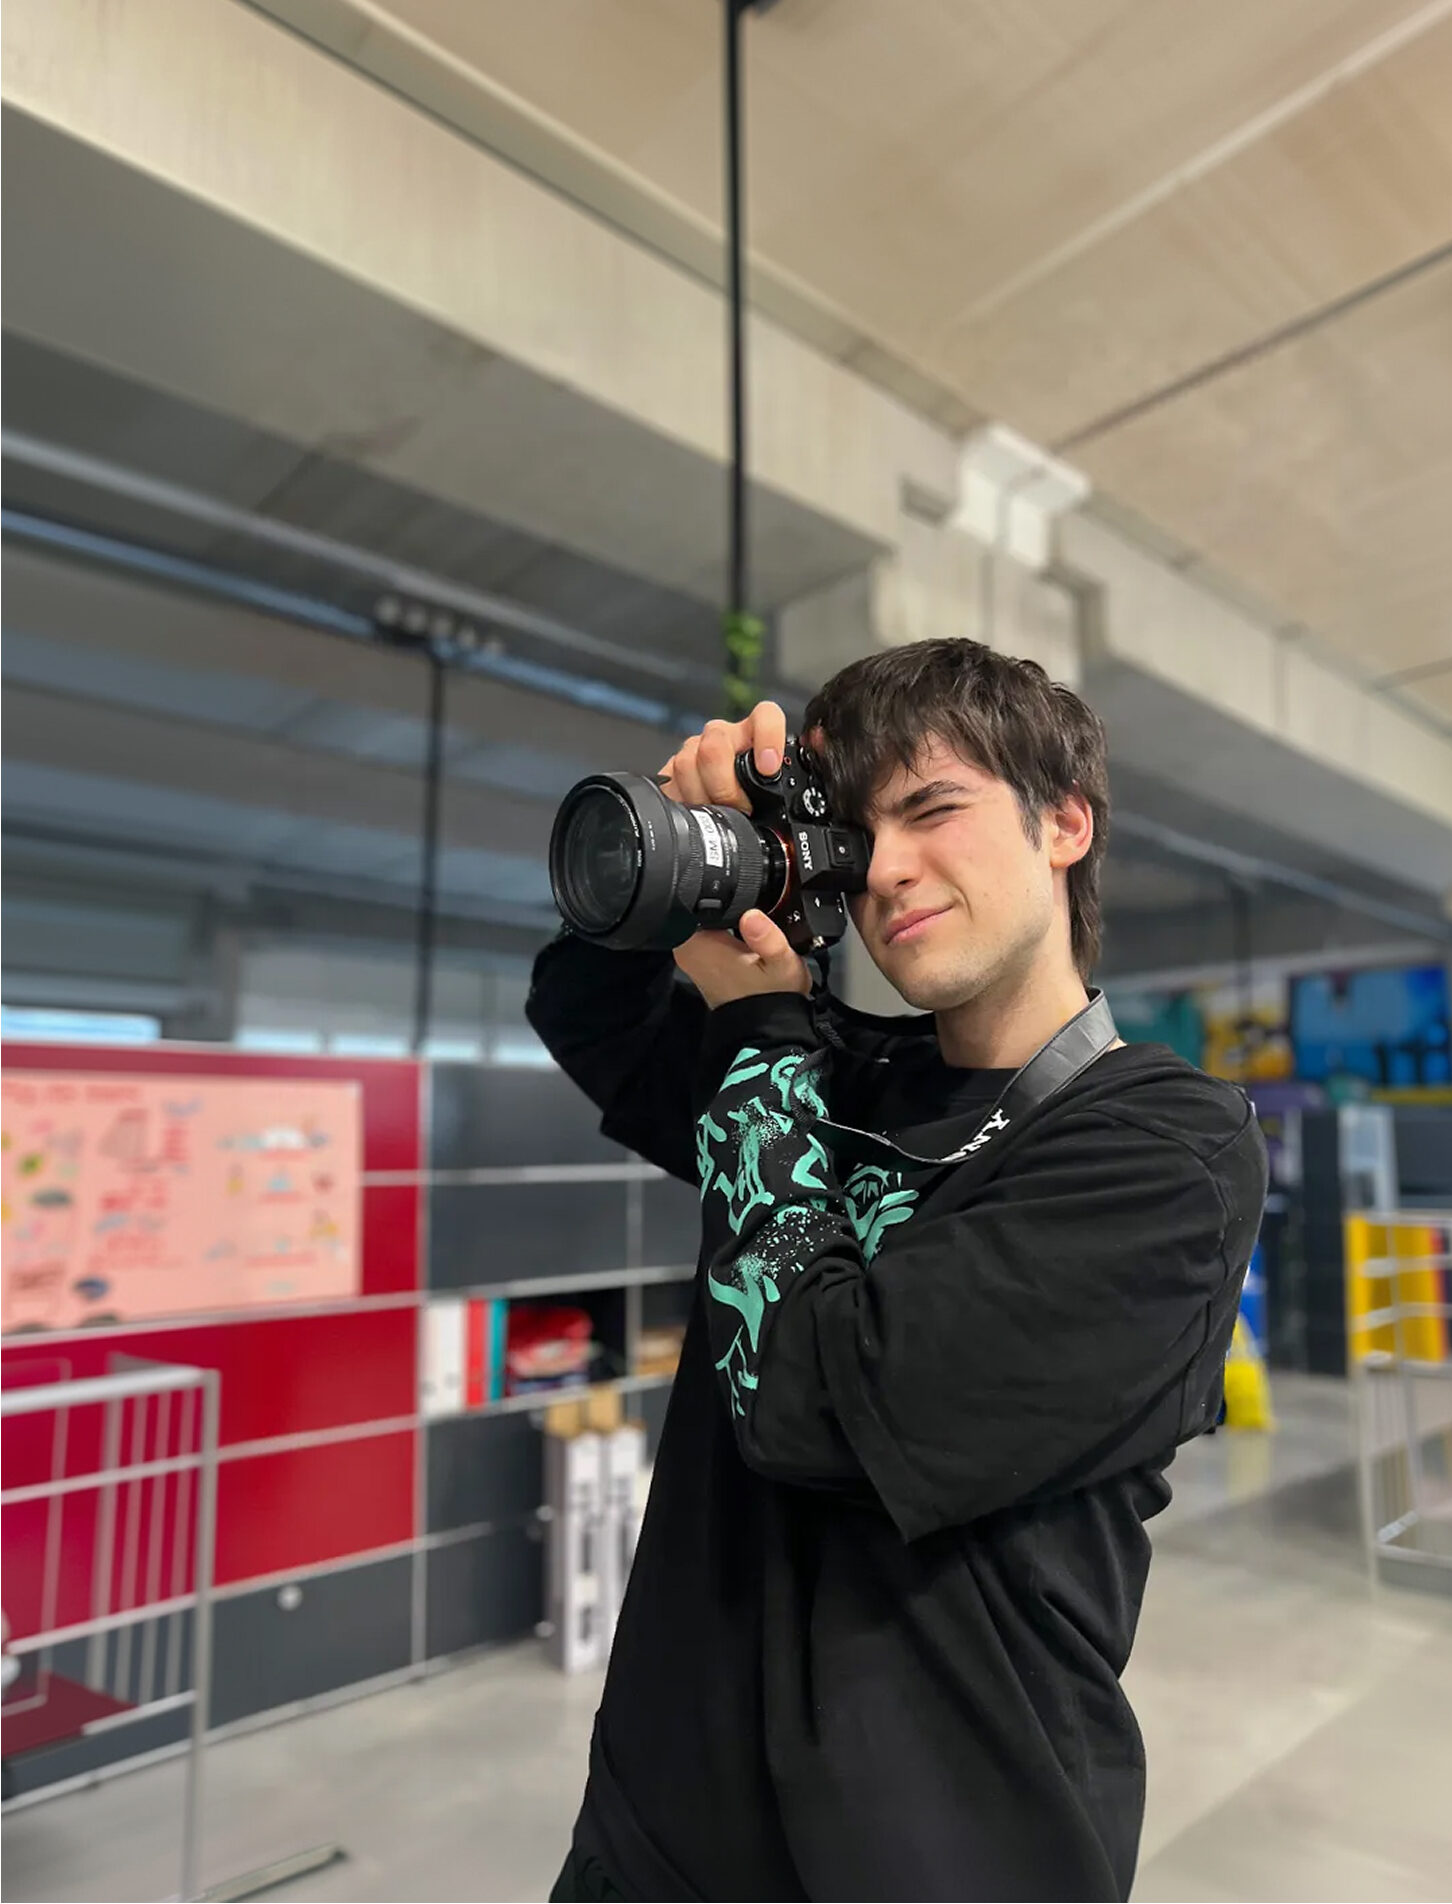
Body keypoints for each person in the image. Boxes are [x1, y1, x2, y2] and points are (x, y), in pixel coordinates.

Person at [530, 638, 1268, 1903]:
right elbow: (590, 1013)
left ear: (1065, 823)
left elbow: (814, 1405)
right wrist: (693, 837)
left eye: (934, 808)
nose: (887, 867)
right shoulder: (838, 1072)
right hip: (653, 1845)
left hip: (941, 1858)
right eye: (862, 832)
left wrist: (758, 1029)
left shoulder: (1163, 1150)